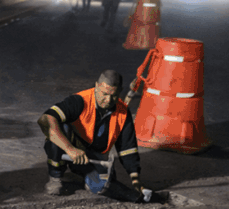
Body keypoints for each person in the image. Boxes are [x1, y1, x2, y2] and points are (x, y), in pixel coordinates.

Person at [37, 70, 152, 202]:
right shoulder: (80, 100)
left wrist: (135, 181)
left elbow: (128, 149)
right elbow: (45, 119)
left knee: (101, 187)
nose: (108, 100)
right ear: (96, 86)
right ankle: (55, 177)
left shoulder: (123, 113)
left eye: (114, 96)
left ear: (120, 91)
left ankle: (85, 175)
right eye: (104, 94)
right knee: (61, 128)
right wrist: (70, 149)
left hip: (95, 157)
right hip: (71, 151)